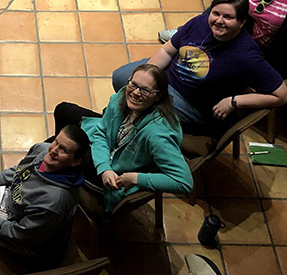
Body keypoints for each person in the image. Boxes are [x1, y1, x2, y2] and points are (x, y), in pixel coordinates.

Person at [111, 0, 287, 132]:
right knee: (120, 77)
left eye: (228, 17)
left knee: (140, 107)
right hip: (166, 78)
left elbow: (281, 95)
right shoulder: (200, 22)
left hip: (190, 104)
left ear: (242, 22)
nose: (219, 21)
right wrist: (148, 77)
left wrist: (234, 101)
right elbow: (167, 49)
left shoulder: (248, 56)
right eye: (216, 13)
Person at [52, 65, 192, 212]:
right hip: (111, 151)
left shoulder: (158, 136)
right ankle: (64, 168)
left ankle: (64, 178)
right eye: (134, 84)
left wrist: (136, 178)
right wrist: (104, 167)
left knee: (56, 150)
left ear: (158, 96)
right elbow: (101, 133)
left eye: (145, 90)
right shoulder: (121, 98)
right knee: (63, 110)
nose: (136, 93)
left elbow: (184, 182)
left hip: (118, 174)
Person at [0, 125, 88, 266]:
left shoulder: (54, 200)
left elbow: (24, 236)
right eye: (56, 142)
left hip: (31, 244)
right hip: (17, 205)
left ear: (75, 161)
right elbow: (20, 170)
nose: (54, 151)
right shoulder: (42, 150)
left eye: (63, 150)